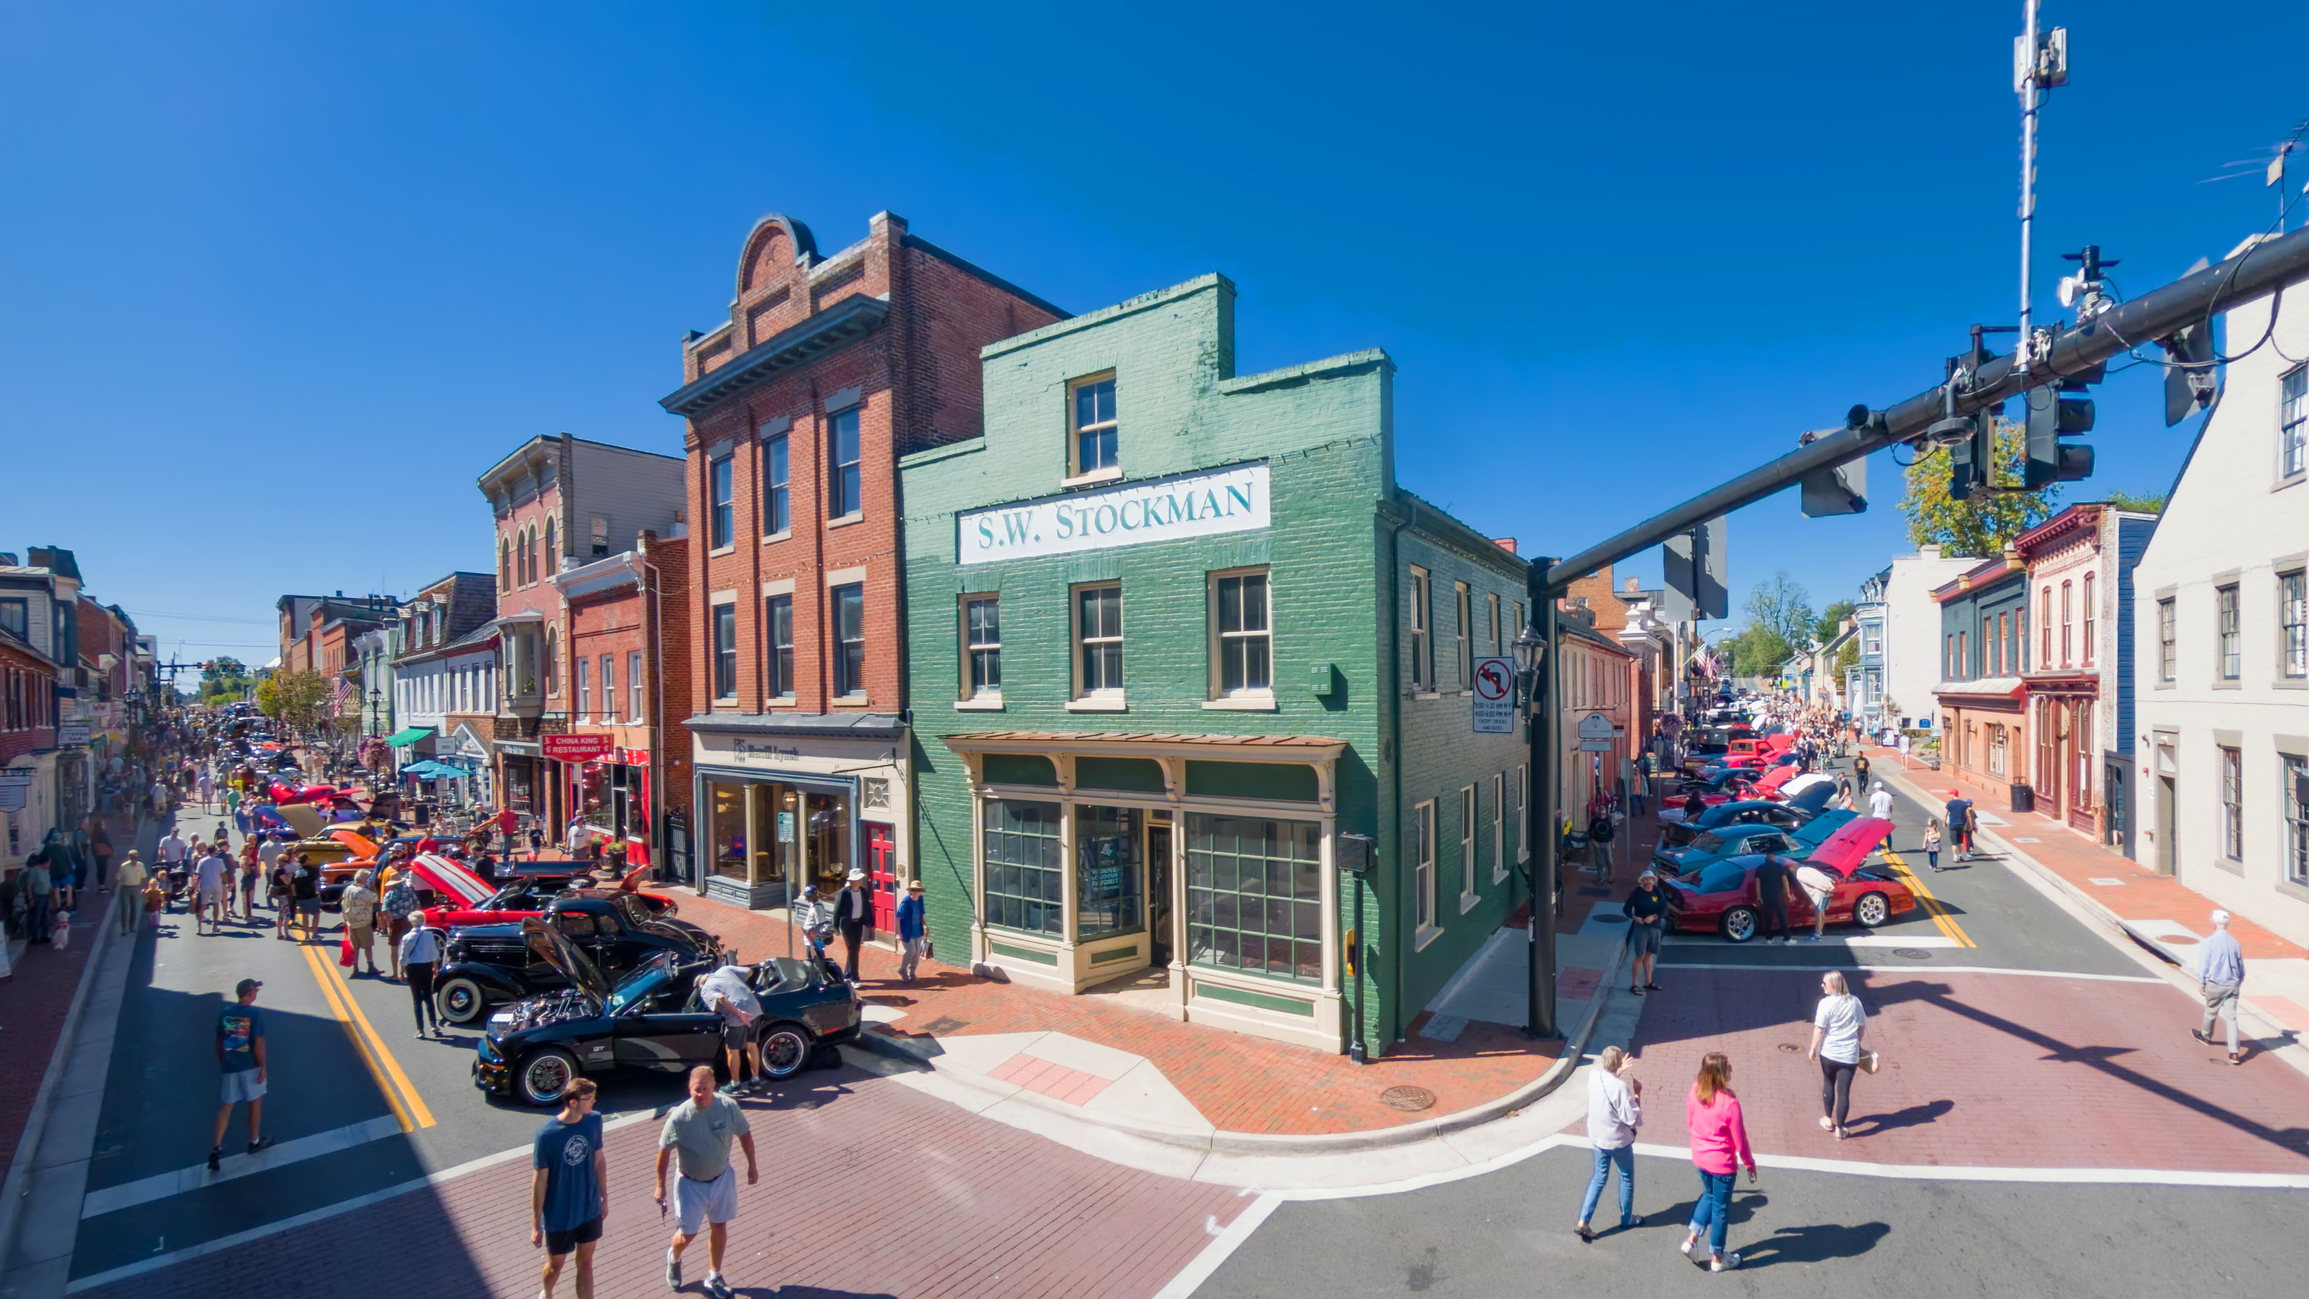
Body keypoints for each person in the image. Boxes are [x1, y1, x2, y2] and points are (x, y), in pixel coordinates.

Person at [655, 1065, 758, 1299]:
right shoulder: (679, 1118)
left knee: (719, 1226)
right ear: (689, 1088)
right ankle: (674, 1257)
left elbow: (745, 1135)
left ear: (714, 1087)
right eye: (696, 1089)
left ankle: (714, 1276)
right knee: (687, 1234)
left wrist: (752, 1165)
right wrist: (660, 1186)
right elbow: (664, 1153)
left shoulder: (728, 1107)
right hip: (690, 1184)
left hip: (721, 1178)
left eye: (704, 1089)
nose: (700, 1094)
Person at [531, 1077, 607, 1299]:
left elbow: (599, 1161)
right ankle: (547, 1292)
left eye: (593, 1097)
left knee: (586, 1262)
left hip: (589, 1208)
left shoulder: (594, 1120)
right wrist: (536, 1224)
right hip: (560, 1215)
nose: (593, 1102)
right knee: (556, 1264)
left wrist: (604, 1198)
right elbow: (540, 1181)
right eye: (588, 1098)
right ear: (573, 1102)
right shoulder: (547, 1135)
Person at [1680, 1051, 1756, 1272]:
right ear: (1720, 1074)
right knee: (1721, 1209)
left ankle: (1691, 1239)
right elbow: (1740, 1140)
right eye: (1728, 1067)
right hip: (1722, 1164)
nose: (1731, 1069)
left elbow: (1690, 1123)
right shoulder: (1729, 1103)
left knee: (1709, 1195)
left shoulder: (1695, 1091)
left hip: (1700, 1158)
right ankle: (1718, 1257)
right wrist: (1749, 1163)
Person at [1576, 1046, 1643, 1242]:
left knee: (1599, 1178)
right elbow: (1632, 1119)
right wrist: (1637, 1095)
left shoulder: (1593, 1076)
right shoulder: (1621, 1087)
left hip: (1598, 1137)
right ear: (1618, 1063)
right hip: (1618, 1140)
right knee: (1626, 1177)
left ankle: (1584, 1219)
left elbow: (1607, 1084)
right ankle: (1627, 1218)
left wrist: (1617, 1071)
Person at [210, 978, 274, 1172]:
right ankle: (254, 1141)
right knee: (254, 1103)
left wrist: (223, 1061)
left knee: (226, 1107)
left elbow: (218, 1041)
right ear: (248, 994)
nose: (256, 993)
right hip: (250, 1066)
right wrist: (262, 1066)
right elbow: (258, 1042)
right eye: (255, 991)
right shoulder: (254, 1014)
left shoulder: (225, 1013)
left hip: (230, 1066)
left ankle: (216, 1147)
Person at [1807, 970, 1869, 1139]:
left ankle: (1828, 1119)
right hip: (1849, 1054)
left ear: (1834, 985)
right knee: (1844, 1092)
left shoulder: (1825, 1004)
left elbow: (1819, 1029)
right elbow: (1861, 1027)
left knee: (1828, 1083)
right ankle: (1840, 1129)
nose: (1822, 986)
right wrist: (1856, 1043)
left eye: (1825, 983)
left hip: (1829, 1052)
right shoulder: (1855, 1002)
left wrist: (1813, 1048)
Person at [698, 960, 764, 1094]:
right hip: (754, 1008)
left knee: (732, 1049)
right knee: (751, 1045)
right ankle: (755, 1081)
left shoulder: (706, 990)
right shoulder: (725, 970)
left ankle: (735, 1084)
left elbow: (721, 998)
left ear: (701, 984)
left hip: (738, 1017)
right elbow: (749, 971)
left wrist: (739, 1013)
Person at [2193, 908, 2248, 1065]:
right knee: (2231, 1018)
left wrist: (2202, 982)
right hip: (2233, 985)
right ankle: (2234, 1052)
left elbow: (2204, 965)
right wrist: (2238, 982)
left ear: (2213, 922)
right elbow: (2241, 969)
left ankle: (2205, 1035)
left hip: (2216, 983)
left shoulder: (2210, 942)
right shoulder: (2235, 943)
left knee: (2211, 1011)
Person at [400, 910, 445, 1038]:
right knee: (428, 997)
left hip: (413, 968)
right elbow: (434, 953)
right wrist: (435, 966)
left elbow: (403, 957)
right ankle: (434, 1025)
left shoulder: (407, 937)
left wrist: (401, 971)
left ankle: (420, 1029)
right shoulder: (429, 935)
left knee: (416, 999)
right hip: (426, 967)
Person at [1623, 871, 1666, 993]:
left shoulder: (1658, 892)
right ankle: (1634, 984)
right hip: (1641, 927)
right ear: (1642, 881)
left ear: (1654, 880)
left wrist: (1654, 916)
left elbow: (1664, 909)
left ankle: (1648, 982)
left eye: (1650, 879)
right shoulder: (1637, 892)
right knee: (1640, 955)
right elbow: (1626, 908)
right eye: (1645, 879)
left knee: (1649, 955)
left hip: (1655, 927)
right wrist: (1634, 917)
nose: (1648, 882)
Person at [381, 866, 418, 980]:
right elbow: (417, 904)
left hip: (396, 922)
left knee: (394, 949)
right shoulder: (409, 891)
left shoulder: (389, 894)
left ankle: (395, 973)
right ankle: (404, 972)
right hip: (408, 921)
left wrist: (389, 921)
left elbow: (385, 910)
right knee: (406, 948)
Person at [340, 871, 380, 977]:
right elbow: (375, 898)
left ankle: (355, 968)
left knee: (355, 947)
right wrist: (373, 887)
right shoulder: (363, 891)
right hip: (363, 922)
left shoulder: (348, 889)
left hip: (351, 922)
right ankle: (370, 967)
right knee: (368, 946)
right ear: (363, 879)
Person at [836, 868, 871, 981]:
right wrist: (835, 926)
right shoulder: (844, 893)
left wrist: (869, 921)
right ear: (852, 881)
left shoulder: (863, 892)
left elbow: (867, 907)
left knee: (855, 949)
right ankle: (855, 977)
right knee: (852, 948)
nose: (861, 881)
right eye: (858, 879)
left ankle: (847, 973)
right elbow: (837, 909)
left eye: (860, 879)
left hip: (858, 923)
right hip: (847, 924)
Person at [1755, 853, 1795, 945]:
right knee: (1782, 917)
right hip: (1777, 896)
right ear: (1774, 858)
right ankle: (1787, 938)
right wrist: (1788, 894)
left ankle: (1769, 938)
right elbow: (1785, 881)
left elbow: (1757, 883)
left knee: (1767, 917)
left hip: (1765, 897)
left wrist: (1759, 897)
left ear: (1766, 859)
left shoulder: (1760, 868)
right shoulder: (1779, 867)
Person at [194, 842, 230, 936]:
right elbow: (223, 874)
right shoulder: (219, 861)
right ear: (214, 851)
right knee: (216, 905)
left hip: (205, 885)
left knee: (202, 906)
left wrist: (196, 886)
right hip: (216, 885)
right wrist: (226, 883)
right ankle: (215, 925)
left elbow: (199, 875)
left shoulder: (202, 861)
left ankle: (199, 927)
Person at [1794, 860, 1836, 942]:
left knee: (1818, 912)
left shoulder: (1800, 875)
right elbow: (1820, 876)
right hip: (1826, 889)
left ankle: (1817, 934)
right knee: (1821, 912)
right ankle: (1820, 932)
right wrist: (1829, 884)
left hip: (1821, 892)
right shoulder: (1808, 869)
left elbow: (1813, 882)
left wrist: (1826, 888)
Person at [895, 878, 928, 981]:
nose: (915, 892)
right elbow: (898, 918)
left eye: (917, 890)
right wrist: (899, 933)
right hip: (907, 932)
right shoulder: (906, 902)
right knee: (911, 951)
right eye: (913, 890)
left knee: (917, 953)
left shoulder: (920, 900)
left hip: (917, 931)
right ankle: (902, 970)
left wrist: (924, 925)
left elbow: (922, 914)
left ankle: (912, 972)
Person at [793, 884, 831, 966]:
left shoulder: (818, 909)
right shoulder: (814, 904)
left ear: (815, 895)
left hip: (814, 942)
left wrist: (813, 939)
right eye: (806, 896)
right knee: (813, 961)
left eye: (809, 896)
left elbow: (820, 926)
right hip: (810, 940)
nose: (806, 898)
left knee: (816, 963)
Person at [114, 851, 148, 937]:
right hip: (125, 888)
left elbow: (143, 877)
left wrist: (145, 888)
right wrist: (113, 889)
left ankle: (132, 926)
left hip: (135, 888)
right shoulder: (124, 866)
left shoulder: (140, 865)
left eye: (135, 858)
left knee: (134, 908)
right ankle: (124, 929)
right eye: (133, 858)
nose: (134, 860)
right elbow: (118, 878)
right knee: (125, 909)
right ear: (129, 858)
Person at [290, 852, 321, 943]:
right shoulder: (313, 870)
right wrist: (318, 892)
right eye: (309, 859)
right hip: (311, 895)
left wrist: (295, 895)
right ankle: (314, 933)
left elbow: (292, 884)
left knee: (305, 915)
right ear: (306, 860)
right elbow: (316, 882)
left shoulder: (296, 871)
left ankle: (306, 935)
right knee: (316, 914)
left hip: (300, 896)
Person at [23, 853, 52, 945]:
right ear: (44, 862)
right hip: (38, 896)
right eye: (48, 862)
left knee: (45, 916)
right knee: (36, 917)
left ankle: (44, 935)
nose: (50, 864)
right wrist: (30, 897)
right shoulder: (34, 870)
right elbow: (29, 885)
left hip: (46, 895)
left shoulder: (46, 870)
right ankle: (34, 937)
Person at [1945, 791, 1974, 861]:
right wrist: (1970, 824)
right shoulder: (1964, 804)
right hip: (1961, 824)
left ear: (1954, 794)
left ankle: (1955, 856)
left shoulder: (1949, 803)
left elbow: (1946, 813)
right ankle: (1960, 855)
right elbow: (1968, 815)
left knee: (1954, 842)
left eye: (1950, 794)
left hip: (1953, 825)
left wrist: (1944, 821)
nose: (1950, 796)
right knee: (1960, 841)